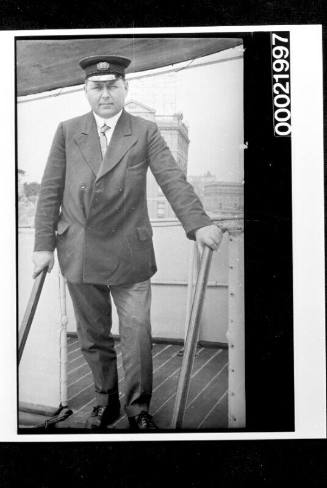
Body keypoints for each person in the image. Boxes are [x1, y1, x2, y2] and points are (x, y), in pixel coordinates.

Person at [33, 54, 222, 431]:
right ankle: (106, 402)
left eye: (112, 86)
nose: (104, 94)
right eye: (96, 87)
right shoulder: (68, 131)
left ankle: (138, 409)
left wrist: (198, 223)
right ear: (86, 90)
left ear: (125, 87)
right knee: (92, 334)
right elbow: (50, 191)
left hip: (129, 249)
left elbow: (172, 179)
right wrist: (43, 245)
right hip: (79, 249)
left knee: (136, 333)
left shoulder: (146, 131)